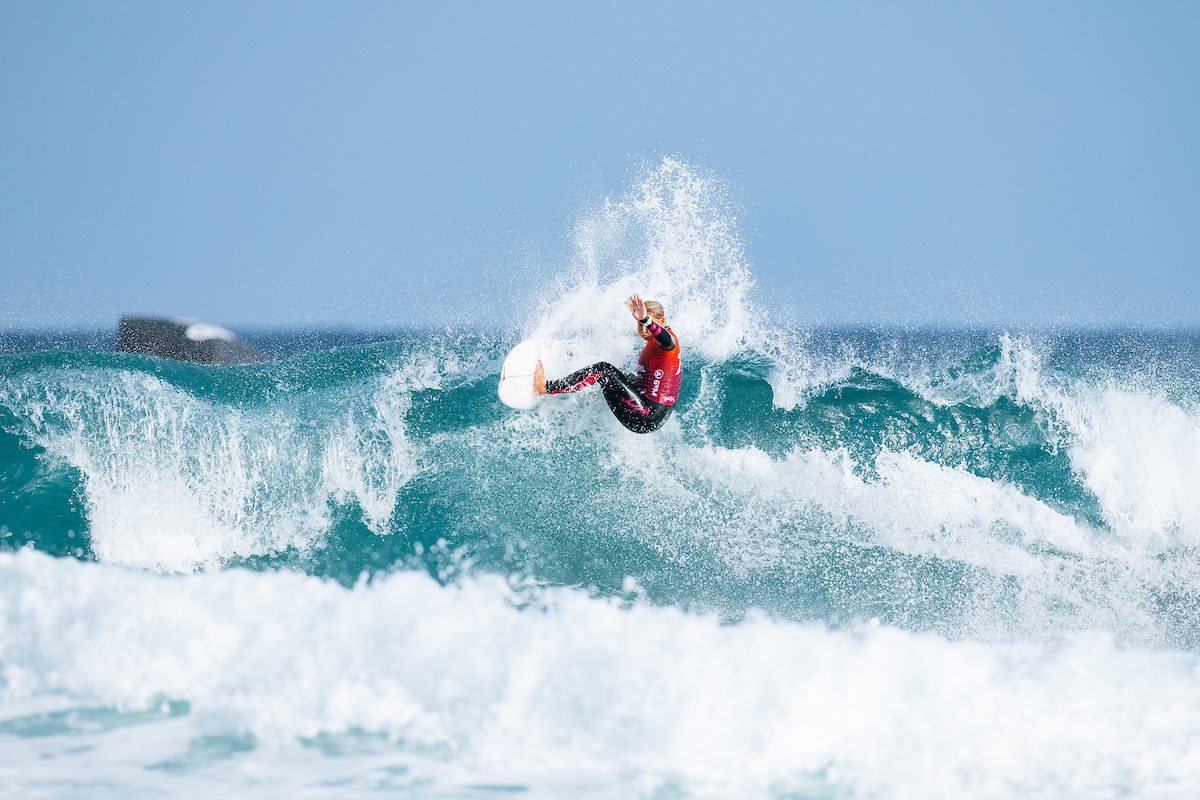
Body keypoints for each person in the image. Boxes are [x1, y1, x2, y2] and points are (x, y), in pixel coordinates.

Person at [533, 294, 681, 433]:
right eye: (639, 325)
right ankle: (572, 365)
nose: (643, 330)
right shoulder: (653, 341)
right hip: (652, 414)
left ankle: (546, 387)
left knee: (604, 370)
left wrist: (645, 320)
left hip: (646, 416)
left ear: (662, 321)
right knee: (621, 374)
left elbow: (667, 340)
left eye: (647, 325)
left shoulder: (668, 343)